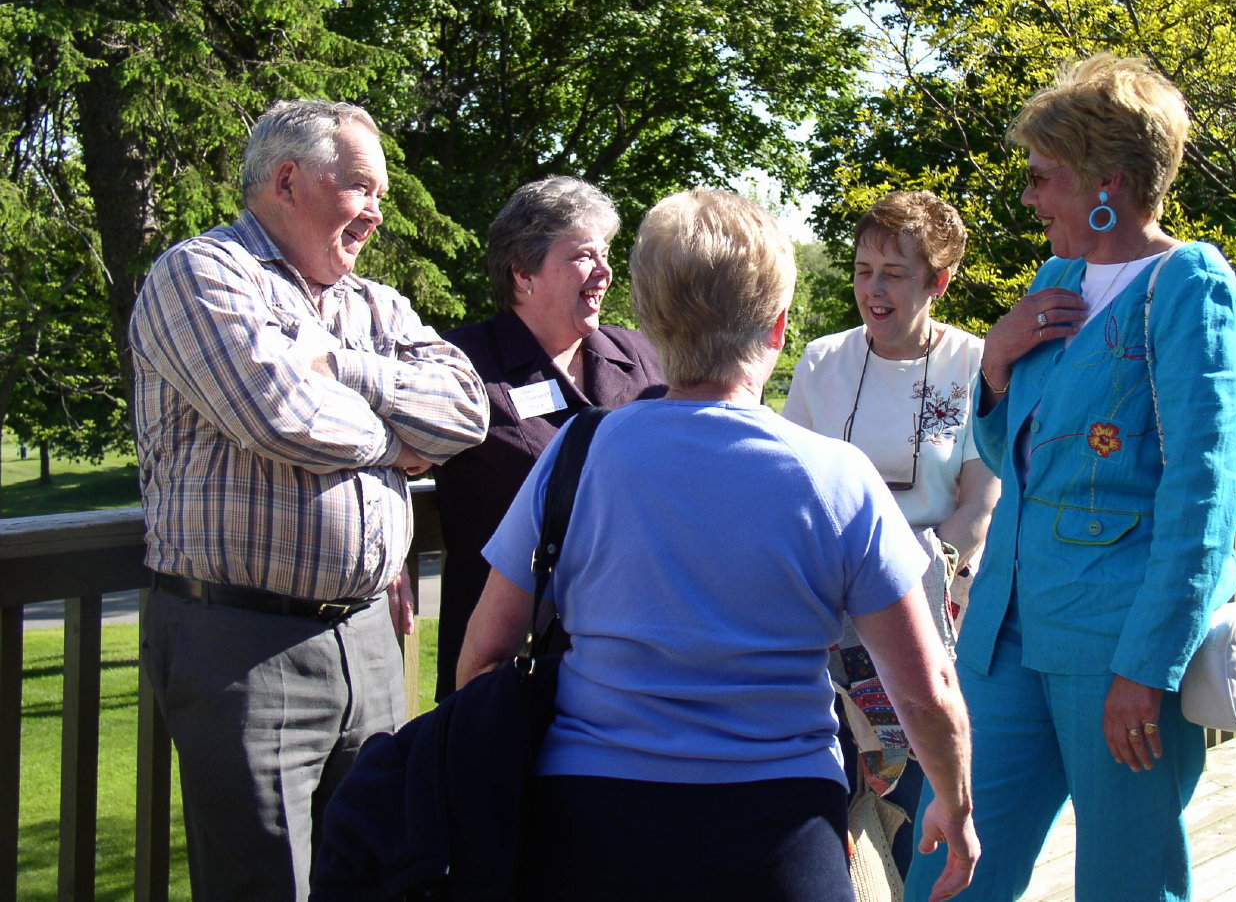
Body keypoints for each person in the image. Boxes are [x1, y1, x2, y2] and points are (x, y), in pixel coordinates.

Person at [458, 188, 979, 902]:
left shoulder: (577, 456)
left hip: (589, 823)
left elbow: (484, 654)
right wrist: (953, 803)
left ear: (647, 318)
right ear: (778, 326)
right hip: (778, 830)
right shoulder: (836, 478)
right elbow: (924, 692)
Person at [905, 54, 1236, 902]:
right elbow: (1010, 462)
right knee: (947, 866)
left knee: (1125, 880)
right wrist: (993, 366)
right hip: (1004, 630)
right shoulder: (1056, 280)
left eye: (1043, 179)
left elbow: (1205, 499)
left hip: (1118, 646)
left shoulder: (1189, 290)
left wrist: (1148, 665)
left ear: (1107, 180)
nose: (1030, 199)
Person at [129, 99, 489, 902]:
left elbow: (468, 409)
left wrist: (349, 370)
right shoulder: (202, 274)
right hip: (242, 641)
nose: (376, 213)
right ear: (288, 179)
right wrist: (395, 444)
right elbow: (278, 415)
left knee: (378, 869)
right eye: (362, 188)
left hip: (369, 637)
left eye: (382, 195)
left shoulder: (376, 304)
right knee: (266, 884)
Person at [782, 190, 999, 870]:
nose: (871, 289)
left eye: (893, 274)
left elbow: (979, 501)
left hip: (930, 614)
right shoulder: (823, 359)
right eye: (862, 270)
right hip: (830, 622)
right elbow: (793, 485)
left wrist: (927, 592)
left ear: (939, 280)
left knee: (920, 808)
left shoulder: (976, 364)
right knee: (841, 808)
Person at [431, 177, 666, 699]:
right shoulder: (459, 364)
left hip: (631, 655)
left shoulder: (647, 357)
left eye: (606, 254)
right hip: (502, 663)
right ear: (523, 273)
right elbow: (396, 459)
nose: (605, 272)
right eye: (584, 256)